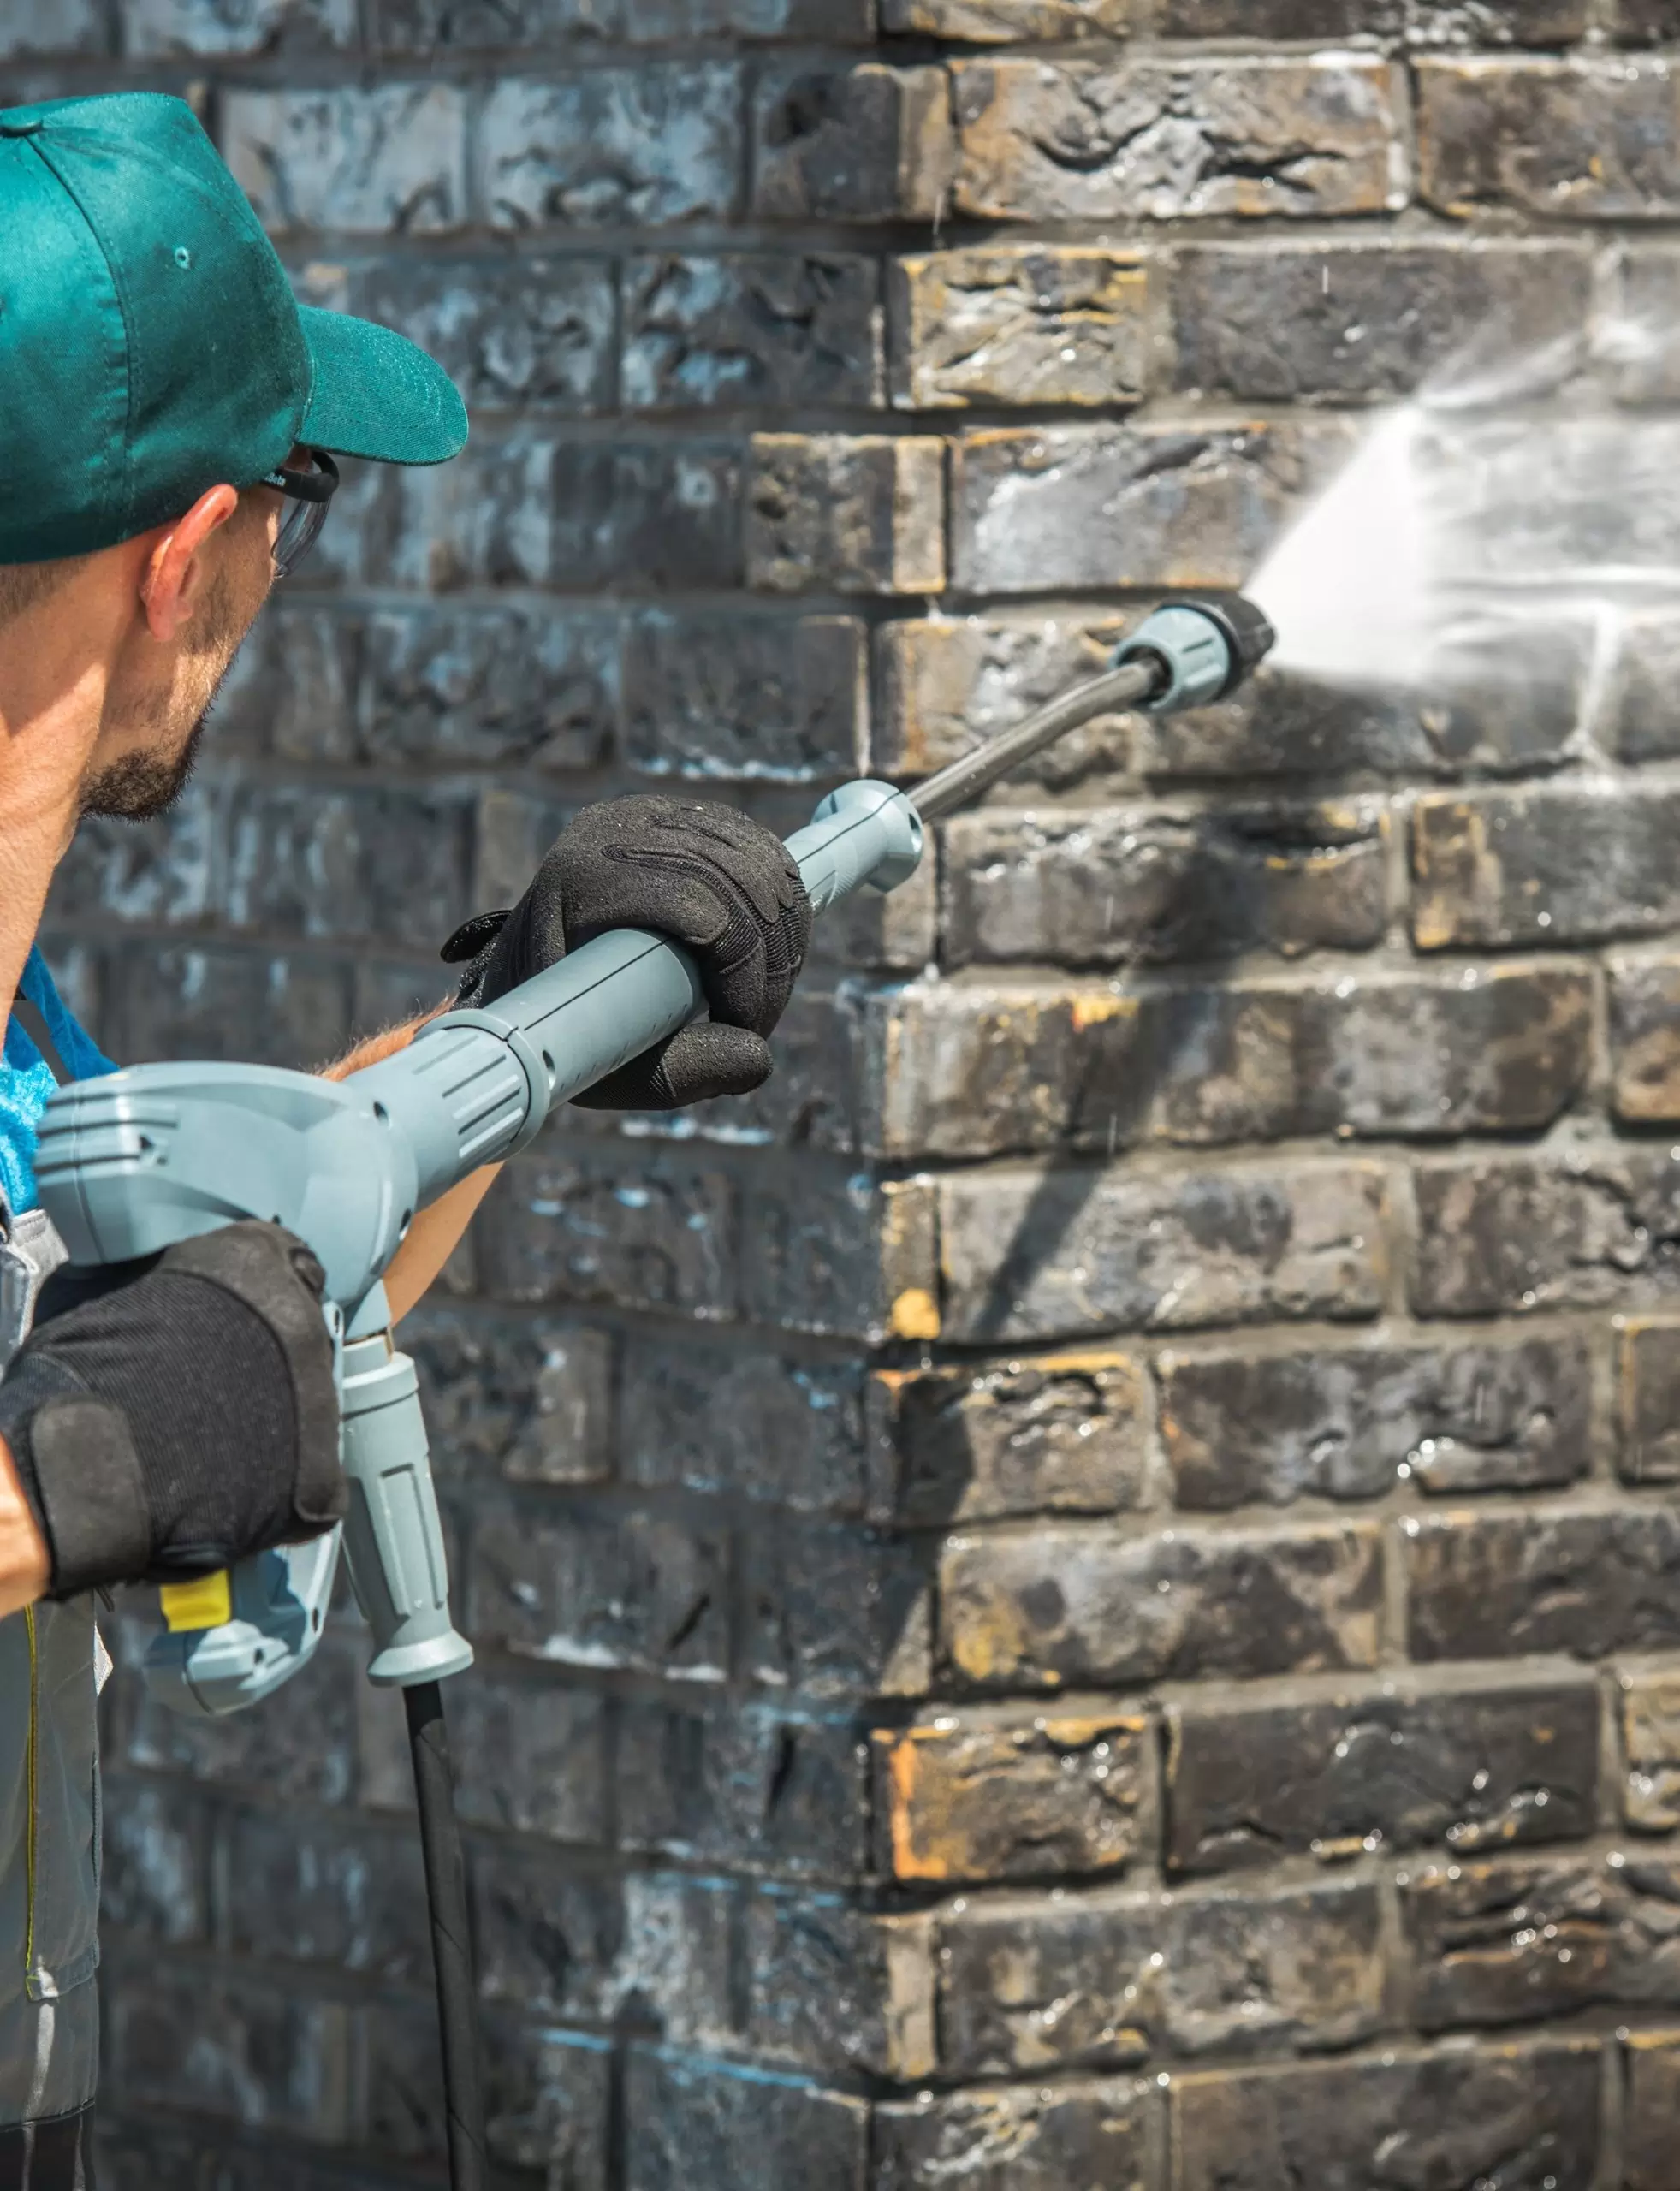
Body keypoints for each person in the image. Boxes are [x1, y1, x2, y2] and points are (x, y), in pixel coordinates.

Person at [0, 91, 810, 2186]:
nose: (281, 559)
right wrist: (77, 1461)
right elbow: (134, 1407)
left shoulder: (18, 1036)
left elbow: (233, 1281)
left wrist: (513, 1038)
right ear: (182, 556)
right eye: (299, 491)